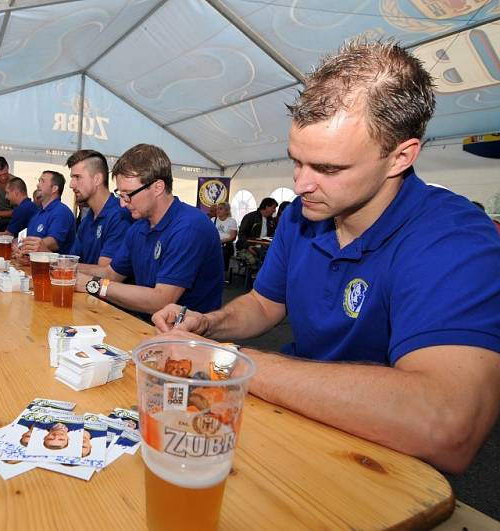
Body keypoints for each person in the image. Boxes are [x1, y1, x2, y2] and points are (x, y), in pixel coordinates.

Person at [152, 40, 500, 475]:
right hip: (291, 418)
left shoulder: (452, 238)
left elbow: (448, 425)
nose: (300, 184)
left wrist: (229, 361)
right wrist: (208, 323)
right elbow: (263, 304)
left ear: (401, 156)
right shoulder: (302, 216)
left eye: (328, 169)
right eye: (296, 161)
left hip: (378, 460)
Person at [74, 144, 223, 316]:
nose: (122, 203)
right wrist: (66, 268)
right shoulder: (139, 227)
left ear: (158, 187)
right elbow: (111, 274)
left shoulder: (190, 227)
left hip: (186, 337)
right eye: (120, 194)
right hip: (146, 326)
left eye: (128, 194)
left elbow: (161, 301)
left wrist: (92, 284)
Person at [67, 149, 132, 265]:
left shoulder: (119, 215)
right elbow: (72, 260)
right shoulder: (87, 220)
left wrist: (61, 264)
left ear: (97, 179)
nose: (71, 185)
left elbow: (105, 271)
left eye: (77, 177)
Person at [18, 171, 75, 254]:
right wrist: (18, 244)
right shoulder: (37, 214)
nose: (38, 185)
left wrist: (25, 246)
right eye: (39, 181)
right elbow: (28, 239)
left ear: (54, 189)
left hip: (54, 266)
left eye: (42, 181)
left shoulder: (62, 212)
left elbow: (54, 242)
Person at [235, 197, 277, 271]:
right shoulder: (250, 217)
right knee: (259, 260)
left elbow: (272, 235)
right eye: (273, 208)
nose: (274, 210)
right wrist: (248, 246)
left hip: (264, 248)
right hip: (248, 247)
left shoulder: (271, 220)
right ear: (267, 206)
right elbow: (242, 234)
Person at [211, 202, 238, 275]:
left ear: (227, 211)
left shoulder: (232, 221)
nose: (218, 211)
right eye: (217, 209)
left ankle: (220, 272)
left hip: (226, 245)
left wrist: (220, 241)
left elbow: (232, 237)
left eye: (220, 209)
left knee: (222, 253)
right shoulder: (213, 220)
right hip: (214, 244)